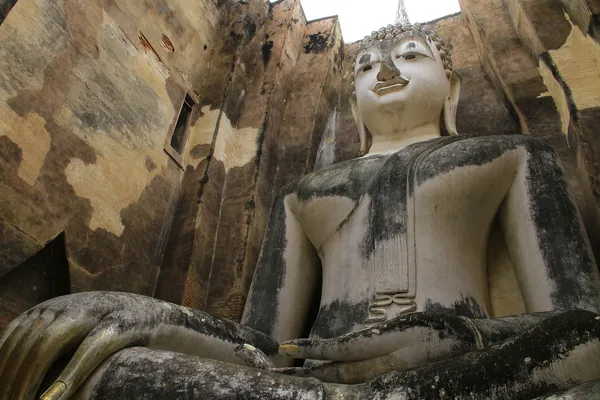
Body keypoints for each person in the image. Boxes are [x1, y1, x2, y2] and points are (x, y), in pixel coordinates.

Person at [2, 23, 600, 400]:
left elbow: (581, 326)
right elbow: (264, 345)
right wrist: (146, 314)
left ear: (453, 86)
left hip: (461, 376)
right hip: (306, 387)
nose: (385, 72)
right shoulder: (307, 190)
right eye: (366, 68)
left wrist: (464, 336)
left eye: (412, 58)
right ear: (353, 101)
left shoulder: (510, 156)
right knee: (107, 369)